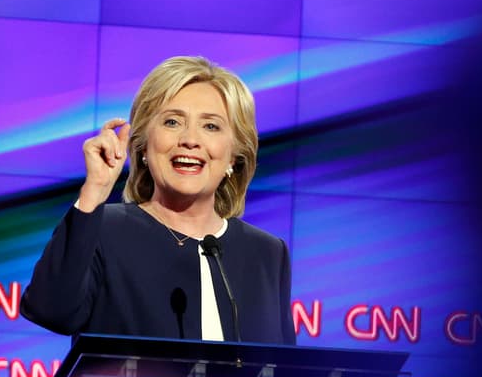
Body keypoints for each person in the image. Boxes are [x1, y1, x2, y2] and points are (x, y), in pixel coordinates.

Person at [21, 55, 295, 344]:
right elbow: (51, 311)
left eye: (211, 126)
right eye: (172, 122)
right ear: (143, 146)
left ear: (235, 155)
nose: (190, 139)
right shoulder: (105, 230)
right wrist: (94, 192)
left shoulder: (267, 253)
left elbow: (284, 373)